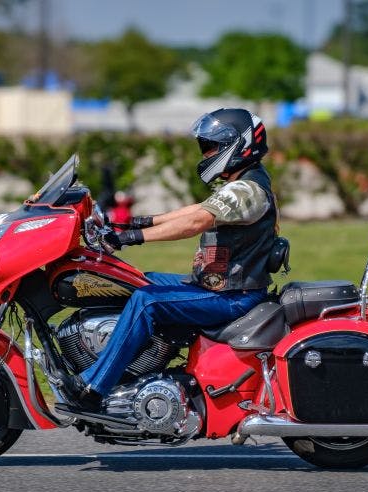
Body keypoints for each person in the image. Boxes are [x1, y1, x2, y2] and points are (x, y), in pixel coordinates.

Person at [59, 107, 278, 410]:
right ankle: (137, 366)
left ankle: (94, 386)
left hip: (233, 297)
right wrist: (135, 222)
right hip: (217, 287)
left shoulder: (247, 190)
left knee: (147, 301)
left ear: (237, 145)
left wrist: (129, 239)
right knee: (136, 280)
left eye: (211, 146)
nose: (206, 153)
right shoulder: (243, 183)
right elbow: (197, 210)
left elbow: (196, 222)